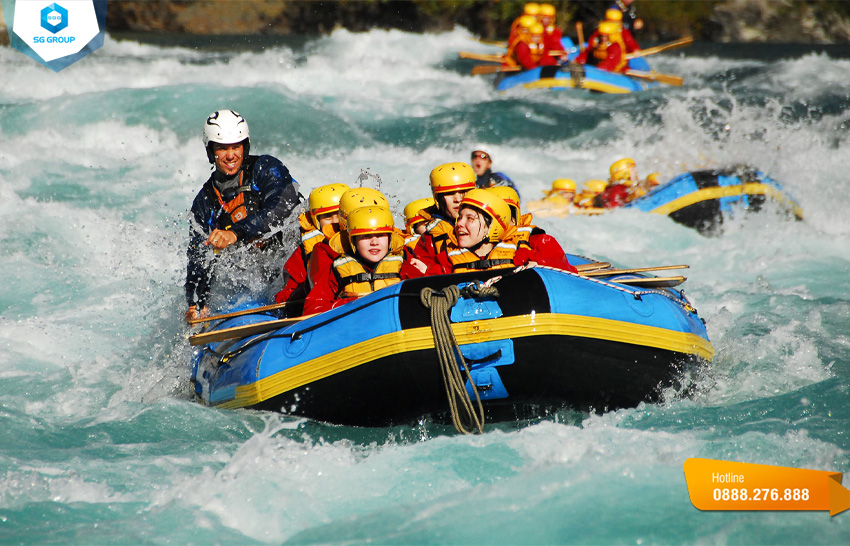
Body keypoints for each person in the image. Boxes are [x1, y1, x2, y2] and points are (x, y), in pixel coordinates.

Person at [185, 109, 300, 322]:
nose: (231, 155)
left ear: (244, 147)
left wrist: (237, 233)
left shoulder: (265, 169)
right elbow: (198, 259)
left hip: (293, 262)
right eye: (222, 148)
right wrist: (196, 303)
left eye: (236, 146)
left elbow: (283, 206)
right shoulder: (204, 203)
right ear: (211, 152)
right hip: (257, 283)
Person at [432, 189, 574, 275]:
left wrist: (541, 267)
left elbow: (568, 273)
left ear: (491, 227)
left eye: (470, 218)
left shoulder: (521, 255)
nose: (459, 224)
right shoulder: (447, 258)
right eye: (460, 218)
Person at [303, 205, 407, 315]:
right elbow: (313, 309)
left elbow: (425, 292)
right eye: (366, 236)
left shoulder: (402, 264)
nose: (374, 242)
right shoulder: (337, 269)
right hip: (356, 325)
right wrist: (350, 303)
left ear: (390, 239)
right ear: (353, 241)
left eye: (380, 235)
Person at [273, 183, 349, 309]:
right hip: (320, 305)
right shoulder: (304, 253)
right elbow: (286, 294)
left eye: (339, 214)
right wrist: (307, 288)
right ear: (315, 221)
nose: (335, 221)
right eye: (327, 216)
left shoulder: (368, 242)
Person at [407, 162, 477, 274]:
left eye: (464, 192)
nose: (458, 199)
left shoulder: (491, 225)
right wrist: (429, 271)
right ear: (438, 199)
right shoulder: (429, 239)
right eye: (450, 193)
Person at [487, 185, 577, 271]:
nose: (496, 223)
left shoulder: (538, 241)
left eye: (502, 217)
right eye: (488, 217)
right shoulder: (476, 244)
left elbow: (567, 271)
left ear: (514, 219)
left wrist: (537, 261)